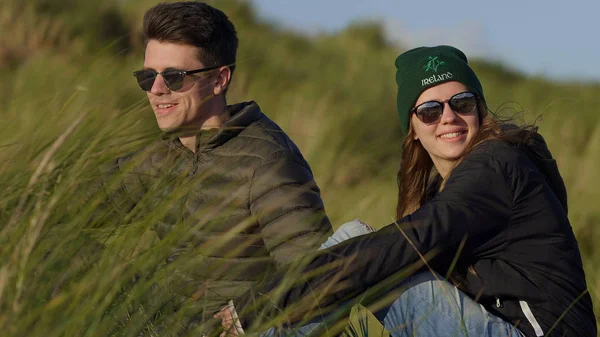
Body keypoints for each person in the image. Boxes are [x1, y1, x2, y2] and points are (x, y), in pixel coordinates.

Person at [216, 45, 597, 337]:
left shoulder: (498, 164)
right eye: (430, 110)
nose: (448, 116)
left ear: (480, 111)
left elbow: (409, 243)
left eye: (461, 103)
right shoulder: (448, 186)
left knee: (374, 253)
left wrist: (271, 298)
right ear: (413, 127)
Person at [97, 2, 333, 336]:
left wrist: (249, 316)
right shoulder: (163, 157)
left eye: (174, 77)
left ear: (220, 79)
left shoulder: (267, 161)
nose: (156, 90)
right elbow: (69, 202)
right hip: (164, 322)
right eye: (148, 76)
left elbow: (315, 278)